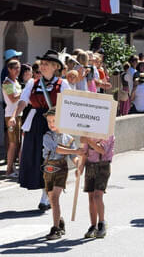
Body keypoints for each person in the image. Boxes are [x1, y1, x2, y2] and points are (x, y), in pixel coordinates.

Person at [9, 50, 70, 211]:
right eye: (41, 64)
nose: (42, 66)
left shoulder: (62, 84)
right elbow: (23, 101)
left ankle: (47, 196)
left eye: (46, 64)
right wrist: (15, 115)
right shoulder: (32, 83)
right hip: (36, 124)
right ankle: (46, 193)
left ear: (55, 67)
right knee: (38, 159)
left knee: (50, 159)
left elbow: (69, 105)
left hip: (53, 123)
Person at [42, 108, 84, 240]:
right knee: (52, 200)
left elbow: (73, 157)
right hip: (48, 169)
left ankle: (56, 229)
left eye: (54, 120)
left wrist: (78, 164)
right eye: (49, 121)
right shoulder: (47, 136)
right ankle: (59, 220)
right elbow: (57, 148)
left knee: (54, 198)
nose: (51, 124)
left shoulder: (69, 139)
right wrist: (77, 151)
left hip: (61, 170)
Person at [79, 135, 115, 238]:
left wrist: (88, 140)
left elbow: (102, 150)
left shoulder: (109, 134)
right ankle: (93, 225)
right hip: (90, 166)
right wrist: (81, 166)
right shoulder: (89, 132)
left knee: (97, 196)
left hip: (103, 166)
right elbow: (85, 151)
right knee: (91, 198)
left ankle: (102, 223)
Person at [2, 60, 22, 177]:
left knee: (17, 143)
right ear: (9, 69)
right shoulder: (7, 82)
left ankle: (12, 168)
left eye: (18, 67)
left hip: (18, 114)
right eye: (15, 68)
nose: (17, 70)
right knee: (13, 143)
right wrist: (24, 92)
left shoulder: (16, 81)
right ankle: (9, 170)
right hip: (10, 116)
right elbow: (13, 99)